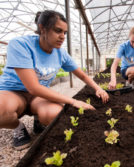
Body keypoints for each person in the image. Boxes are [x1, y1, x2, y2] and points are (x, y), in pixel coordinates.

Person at [0, 10, 109, 150]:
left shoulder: (61, 53)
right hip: (12, 92)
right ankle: (17, 127)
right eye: (58, 31)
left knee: (55, 115)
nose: (62, 36)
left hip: (37, 96)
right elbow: (33, 87)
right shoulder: (20, 45)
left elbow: (82, 75)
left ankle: (38, 119)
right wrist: (73, 101)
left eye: (65, 32)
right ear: (42, 29)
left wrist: (98, 88)